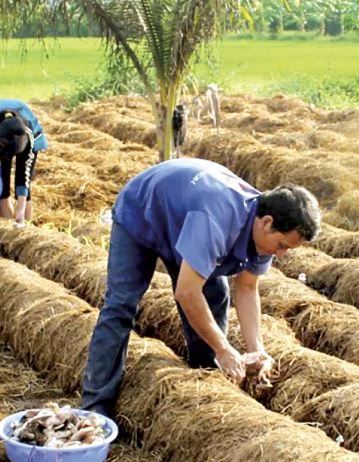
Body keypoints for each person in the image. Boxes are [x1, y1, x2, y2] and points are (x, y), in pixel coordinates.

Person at [81, 158, 321, 417]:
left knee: (216, 295)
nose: (282, 254)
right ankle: (96, 408)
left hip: (185, 216)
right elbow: (186, 292)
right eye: (283, 245)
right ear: (266, 222)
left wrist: (256, 350)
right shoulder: (218, 220)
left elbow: (248, 288)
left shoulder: (265, 230)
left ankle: (205, 378)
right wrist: (224, 349)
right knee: (121, 306)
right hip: (143, 212)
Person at [0, 98, 49, 223]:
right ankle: (5, 223)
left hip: (27, 137)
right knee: (1, 182)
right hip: (1, 136)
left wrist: (20, 208)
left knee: (23, 183)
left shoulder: (29, 136)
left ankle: (26, 225)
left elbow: (23, 176)